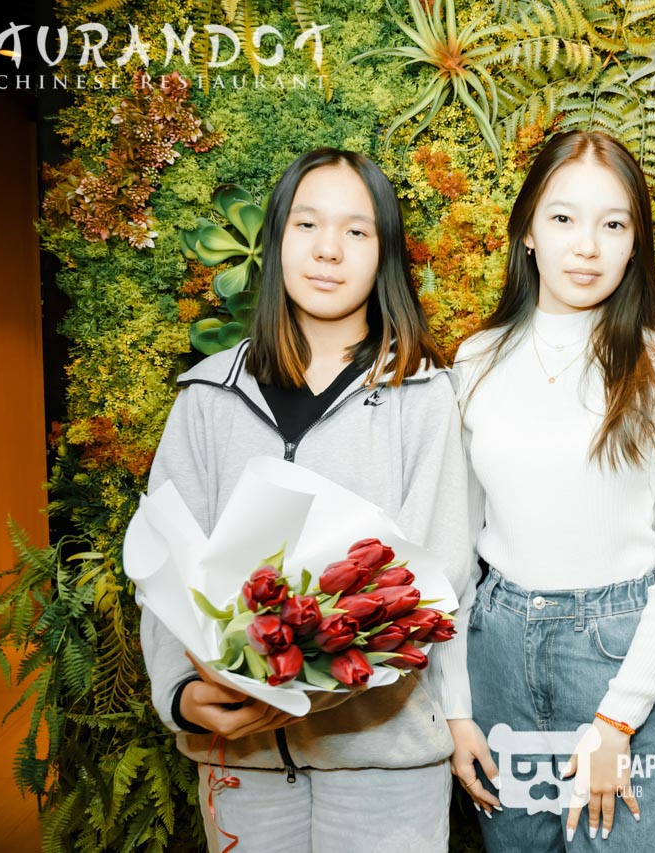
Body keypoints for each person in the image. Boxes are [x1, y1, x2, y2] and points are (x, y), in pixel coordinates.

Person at [137, 148, 472, 852]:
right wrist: (184, 696)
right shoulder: (208, 397)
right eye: (307, 224)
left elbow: (440, 574)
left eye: (356, 230)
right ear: (277, 238)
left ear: (384, 252)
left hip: (384, 763)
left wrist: (301, 682)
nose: (328, 250)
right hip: (241, 762)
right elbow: (164, 563)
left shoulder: (422, 395)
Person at [447, 130, 655, 852]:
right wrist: (456, 708)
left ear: (635, 245)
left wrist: (617, 720)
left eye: (614, 224)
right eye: (564, 218)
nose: (587, 247)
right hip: (498, 655)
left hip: (619, 658)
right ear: (528, 231)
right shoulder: (476, 360)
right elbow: (454, 555)